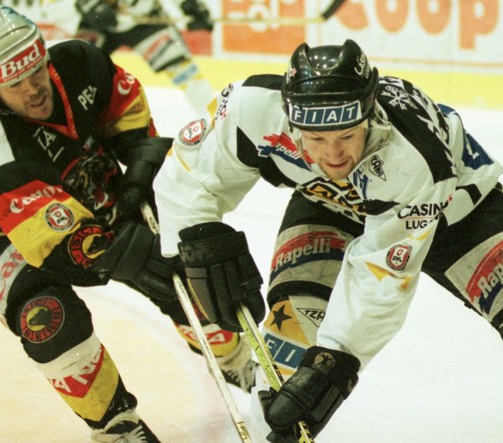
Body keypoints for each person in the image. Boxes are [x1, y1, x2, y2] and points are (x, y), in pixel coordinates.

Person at [153, 39, 503, 440]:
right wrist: (198, 236)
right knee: (286, 361)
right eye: (315, 139)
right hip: (328, 204)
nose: (333, 156)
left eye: (346, 136)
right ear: (289, 115)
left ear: (370, 114)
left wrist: (333, 366)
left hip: (458, 213)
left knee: (319, 375)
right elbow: (191, 171)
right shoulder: (251, 107)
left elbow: (381, 278)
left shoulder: (410, 154)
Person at [0, 6, 257, 442]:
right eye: (15, 84)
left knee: (180, 272)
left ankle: (234, 358)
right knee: (49, 320)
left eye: (36, 71)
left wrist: (140, 155)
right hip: (5, 234)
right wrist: (128, 253)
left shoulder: (79, 62)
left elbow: (124, 106)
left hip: (85, 185)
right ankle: (116, 426)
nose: (33, 89)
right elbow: (58, 245)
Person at [41, 0, 216, 114]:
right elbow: (50, 8)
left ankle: (217, 121)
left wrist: (190, 5)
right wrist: (84, 6)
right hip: (95, 23)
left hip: (143, 17)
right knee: (73, 78)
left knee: (183, 70)